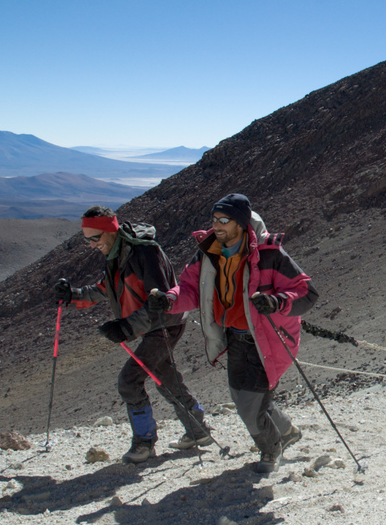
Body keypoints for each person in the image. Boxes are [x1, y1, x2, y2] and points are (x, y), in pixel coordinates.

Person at [148, 193, 319, 474]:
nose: (217, 225)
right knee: (244, 396)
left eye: (224, 220)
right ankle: (286, 432)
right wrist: (169, 299)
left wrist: (277, 302)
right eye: (214, 219)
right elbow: (189, 288)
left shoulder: (268, 253)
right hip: (234, 336)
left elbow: (306, 291)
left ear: (240, 223)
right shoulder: (208, 252)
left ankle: (270, 449)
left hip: (266, 339)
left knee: (249, 404)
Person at [54, 206, 210, 464]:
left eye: (95, 238)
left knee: (129, 381)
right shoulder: (116, 252)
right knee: (167, 380)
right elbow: (107, 288)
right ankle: (198, 431)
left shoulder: (143, 252)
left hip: (164, 324)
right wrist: (74, 295)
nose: (92, 245)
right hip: (151, 327)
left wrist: (126, 328)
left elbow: (158, 301)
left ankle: (144, 443)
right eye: (87, 240)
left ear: (109, 230)